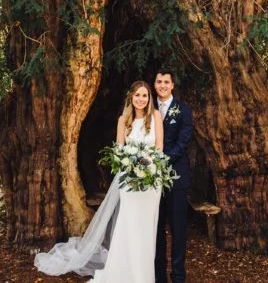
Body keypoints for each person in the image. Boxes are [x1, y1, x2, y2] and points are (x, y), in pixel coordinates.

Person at [34, 81, 164, 282]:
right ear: (131, 97)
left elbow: (159, 148)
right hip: (129, 182)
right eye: (137, 95)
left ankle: (144, 277)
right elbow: (120, 151)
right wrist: (131, 166)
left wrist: (148, 168)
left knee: (147, 231)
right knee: (128, 227)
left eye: (145, 95)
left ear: (149, 98)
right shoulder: (123, 120)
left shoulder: (155, 117)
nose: (141, 99)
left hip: (150, 183)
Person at [154, 70, 193, 283]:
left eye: (166, 82)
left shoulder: (183, 109)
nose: (162, 85)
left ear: (172, 85)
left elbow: (184, 140)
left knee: (178, 231)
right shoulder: (148, 108)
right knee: (156, 230)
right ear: (154, 84)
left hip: (177, 178)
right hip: (151, 181)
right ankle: (159, 276)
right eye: (159, 81)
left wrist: (163, 160)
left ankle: (178, 276)